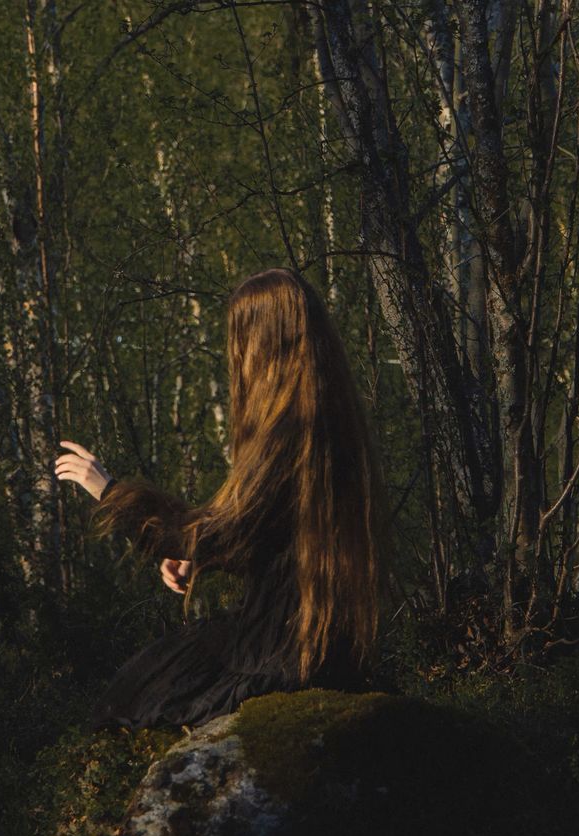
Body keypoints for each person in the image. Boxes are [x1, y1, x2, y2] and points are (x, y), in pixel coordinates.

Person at [54, 267, 392, 731]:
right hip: (318, 646)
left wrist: (110, 492)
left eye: (241, 338)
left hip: (281, 655)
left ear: (263, 344)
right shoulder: (328, 426)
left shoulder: (289, 434)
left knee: (136, 694)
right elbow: (265, 533)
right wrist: (203, 556)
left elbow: (226, 532)